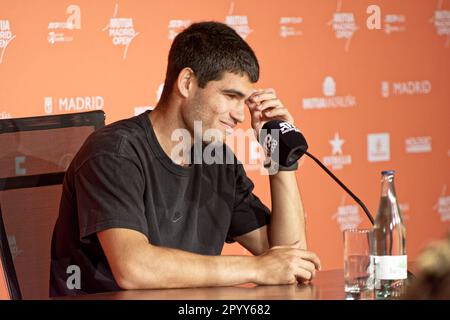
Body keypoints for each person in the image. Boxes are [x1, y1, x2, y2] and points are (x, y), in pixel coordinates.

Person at [50, 21, 321, 296]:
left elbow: (290, 259)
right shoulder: (114, 151)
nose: (241, 115)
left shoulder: (217, 161)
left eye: (245, 101)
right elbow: (133, 268)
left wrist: (280, 155)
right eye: (230, 96)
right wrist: (257, 269)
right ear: (187, 82)